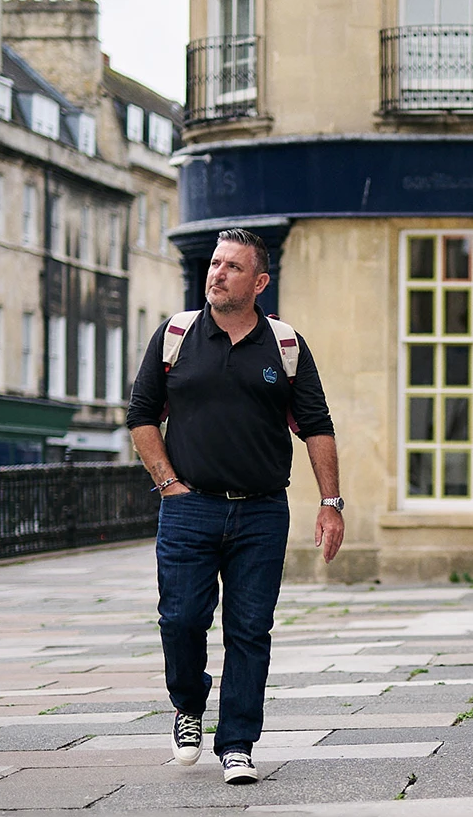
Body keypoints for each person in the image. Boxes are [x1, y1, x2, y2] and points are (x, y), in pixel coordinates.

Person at [126, 228, 344, 785]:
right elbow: (142, 416)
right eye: (215, 263)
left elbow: (316, 425)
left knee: (250, 629)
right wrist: (168, 483)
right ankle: (188, 705)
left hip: (262, 512)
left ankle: (239, 743)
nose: (217, 273)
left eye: (232, 266)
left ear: (259, 281)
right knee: (180, 620)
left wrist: (330, 503)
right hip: (189, 507)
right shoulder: (175, 336)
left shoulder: (286, 345)